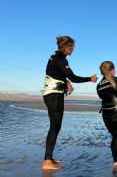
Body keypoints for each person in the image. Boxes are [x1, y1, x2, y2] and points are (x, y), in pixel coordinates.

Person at [41, 36, 97, 170]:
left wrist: (65, 83)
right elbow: (73, 77)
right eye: (72, 48)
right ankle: (47, 161)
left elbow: (52, 72)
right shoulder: (61, 58)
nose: (73, 50)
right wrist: (90, 78)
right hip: (54, 96)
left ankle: (49, 159)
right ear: (67, 47)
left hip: (51, 94)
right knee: (55, 127)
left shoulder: (54, 56)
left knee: (55, 126)